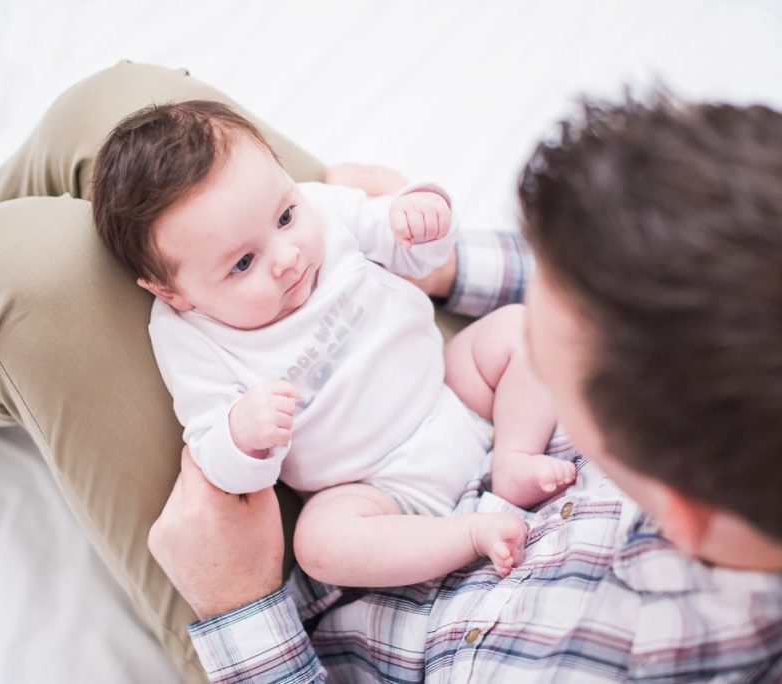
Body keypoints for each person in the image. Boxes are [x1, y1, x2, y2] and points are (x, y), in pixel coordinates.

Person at [147, 99, 782, 681]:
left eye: (553, 338)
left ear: (678, 516)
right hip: (407, 370)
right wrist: (432, 256)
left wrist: (239, 607)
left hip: (289, 579)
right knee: (142, 142)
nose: (537, 315)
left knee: (36, 270)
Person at [90, 101, 575, 586]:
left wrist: (422, 217)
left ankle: (515, 455)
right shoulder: (187, 337)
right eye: (242, 264)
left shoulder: (320, 207)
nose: (286, 256)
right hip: (376, 488)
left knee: (516, 328)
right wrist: (242, 434)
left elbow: (414, 252)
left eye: (284, 218)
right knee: (319, 544)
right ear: (171, 291)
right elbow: (214, 454)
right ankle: (465, 536)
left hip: (453, 392)